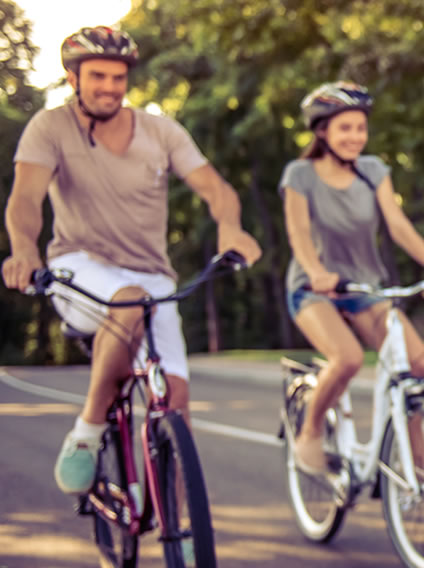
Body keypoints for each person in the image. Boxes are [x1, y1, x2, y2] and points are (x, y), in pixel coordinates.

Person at [1, 26, 262, 496]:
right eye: (97, 75)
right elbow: (25, 199)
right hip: (77, 268)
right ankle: (87, 431)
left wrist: (230, 226)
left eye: (118, 77)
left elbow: (215, 189)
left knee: (176, 404)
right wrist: (24, 250)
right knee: (129, 301)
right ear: (72, 77)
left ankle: (175, 523)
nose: (109, 87)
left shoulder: (160, 130)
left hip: (153, 275)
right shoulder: (50, 127)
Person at [281, 81, 424, 474]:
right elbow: (298, 233)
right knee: (346, 358)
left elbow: (398, 225)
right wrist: (316, 272)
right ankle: (310, 433)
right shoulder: (301, 175)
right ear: (322, 131)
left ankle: (418, 462)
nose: (355, 137)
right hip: (313, 289)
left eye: (360, 128)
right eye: (345, 128)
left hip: (365, 287)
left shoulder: (373, 171)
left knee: (418, 364)